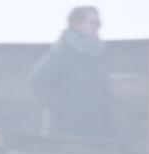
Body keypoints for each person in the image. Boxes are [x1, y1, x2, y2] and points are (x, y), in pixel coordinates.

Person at [29, 6, 112, 139]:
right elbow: (37, 80)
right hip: (67, 132)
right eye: (93, 22)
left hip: (95, 130)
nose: (98, 26)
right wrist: (66, 111)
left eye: (99, 23)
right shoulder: (63, 52)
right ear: (77, 24)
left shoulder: (95, 55)